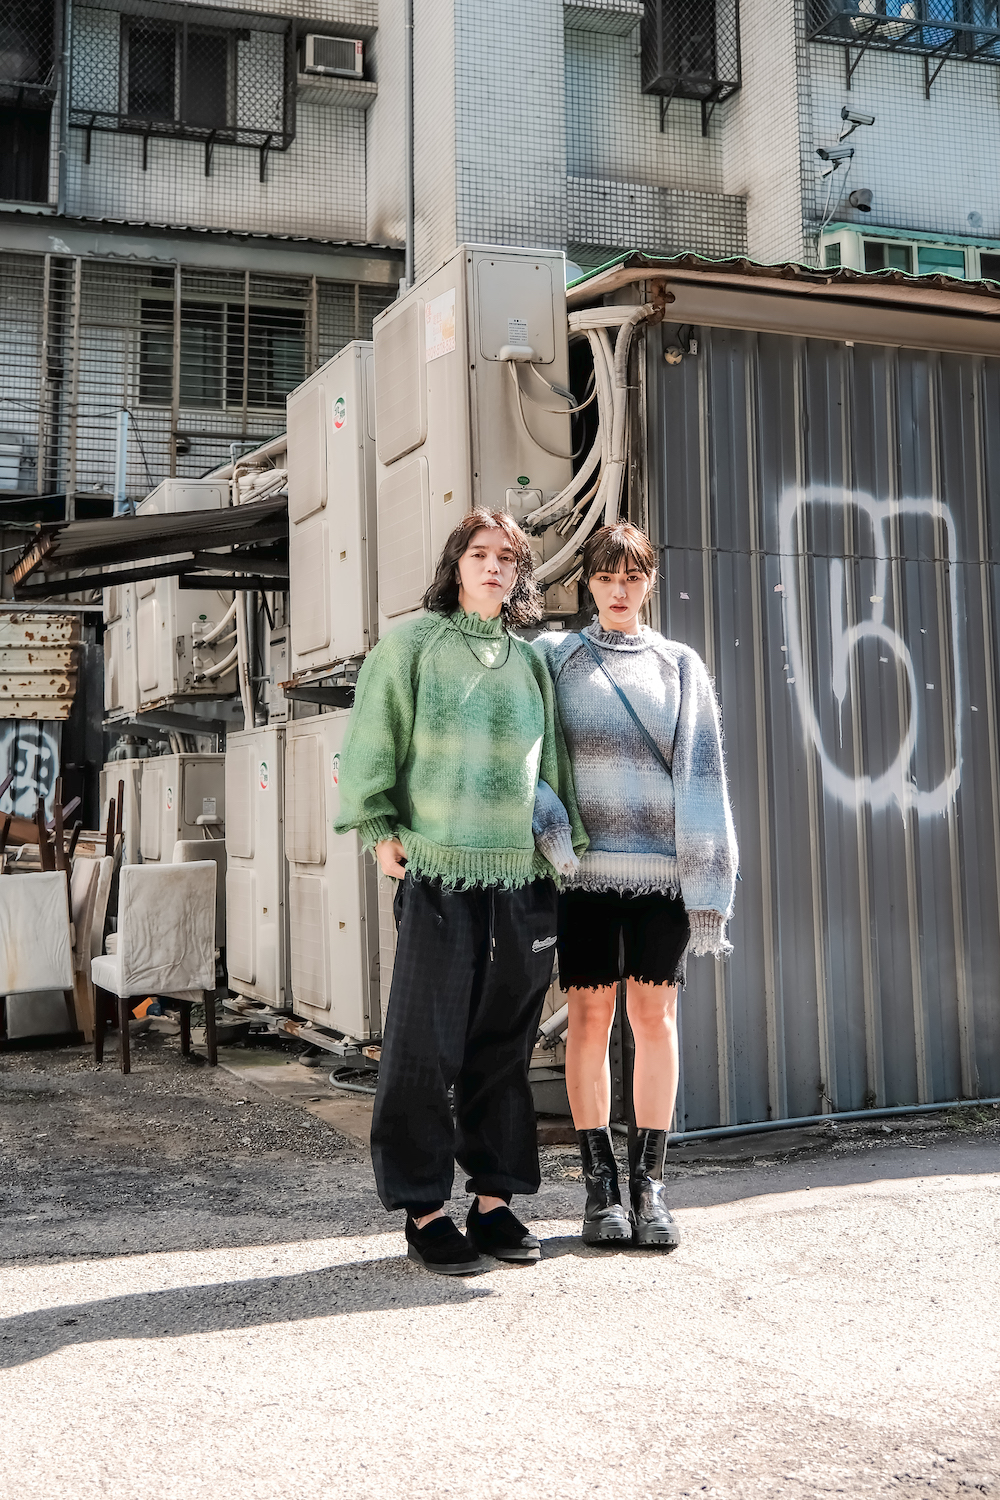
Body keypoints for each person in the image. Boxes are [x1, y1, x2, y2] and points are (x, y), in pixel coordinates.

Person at [334, 508, 586, 1276]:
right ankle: (423, 1211)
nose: (494, 567)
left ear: (520, 574)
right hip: (440, 872)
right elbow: (371, 739)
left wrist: (561, 852)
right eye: (480, 554)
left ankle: (494, 1201)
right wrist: (379, 828)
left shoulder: (529, 661)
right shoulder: (413, 645)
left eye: (508, 557)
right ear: (456, 565)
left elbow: (552, 769)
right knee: (424, 1047)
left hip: (520, 876)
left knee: (504, 1047)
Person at [534, 522, 737, 1250]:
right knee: (589, 1021)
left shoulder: (679, 664)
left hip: (662, 878)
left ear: (651, 581)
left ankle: (650, 1186)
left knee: (655, 1020)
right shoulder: (554, 656)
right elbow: (527, 757)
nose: (619, 591)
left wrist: (708, 879)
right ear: (586, 583)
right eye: (605, 577)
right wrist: (550, 829)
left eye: (632, 577)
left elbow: (702, 772)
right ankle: (600, 1189)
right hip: (582, 873)